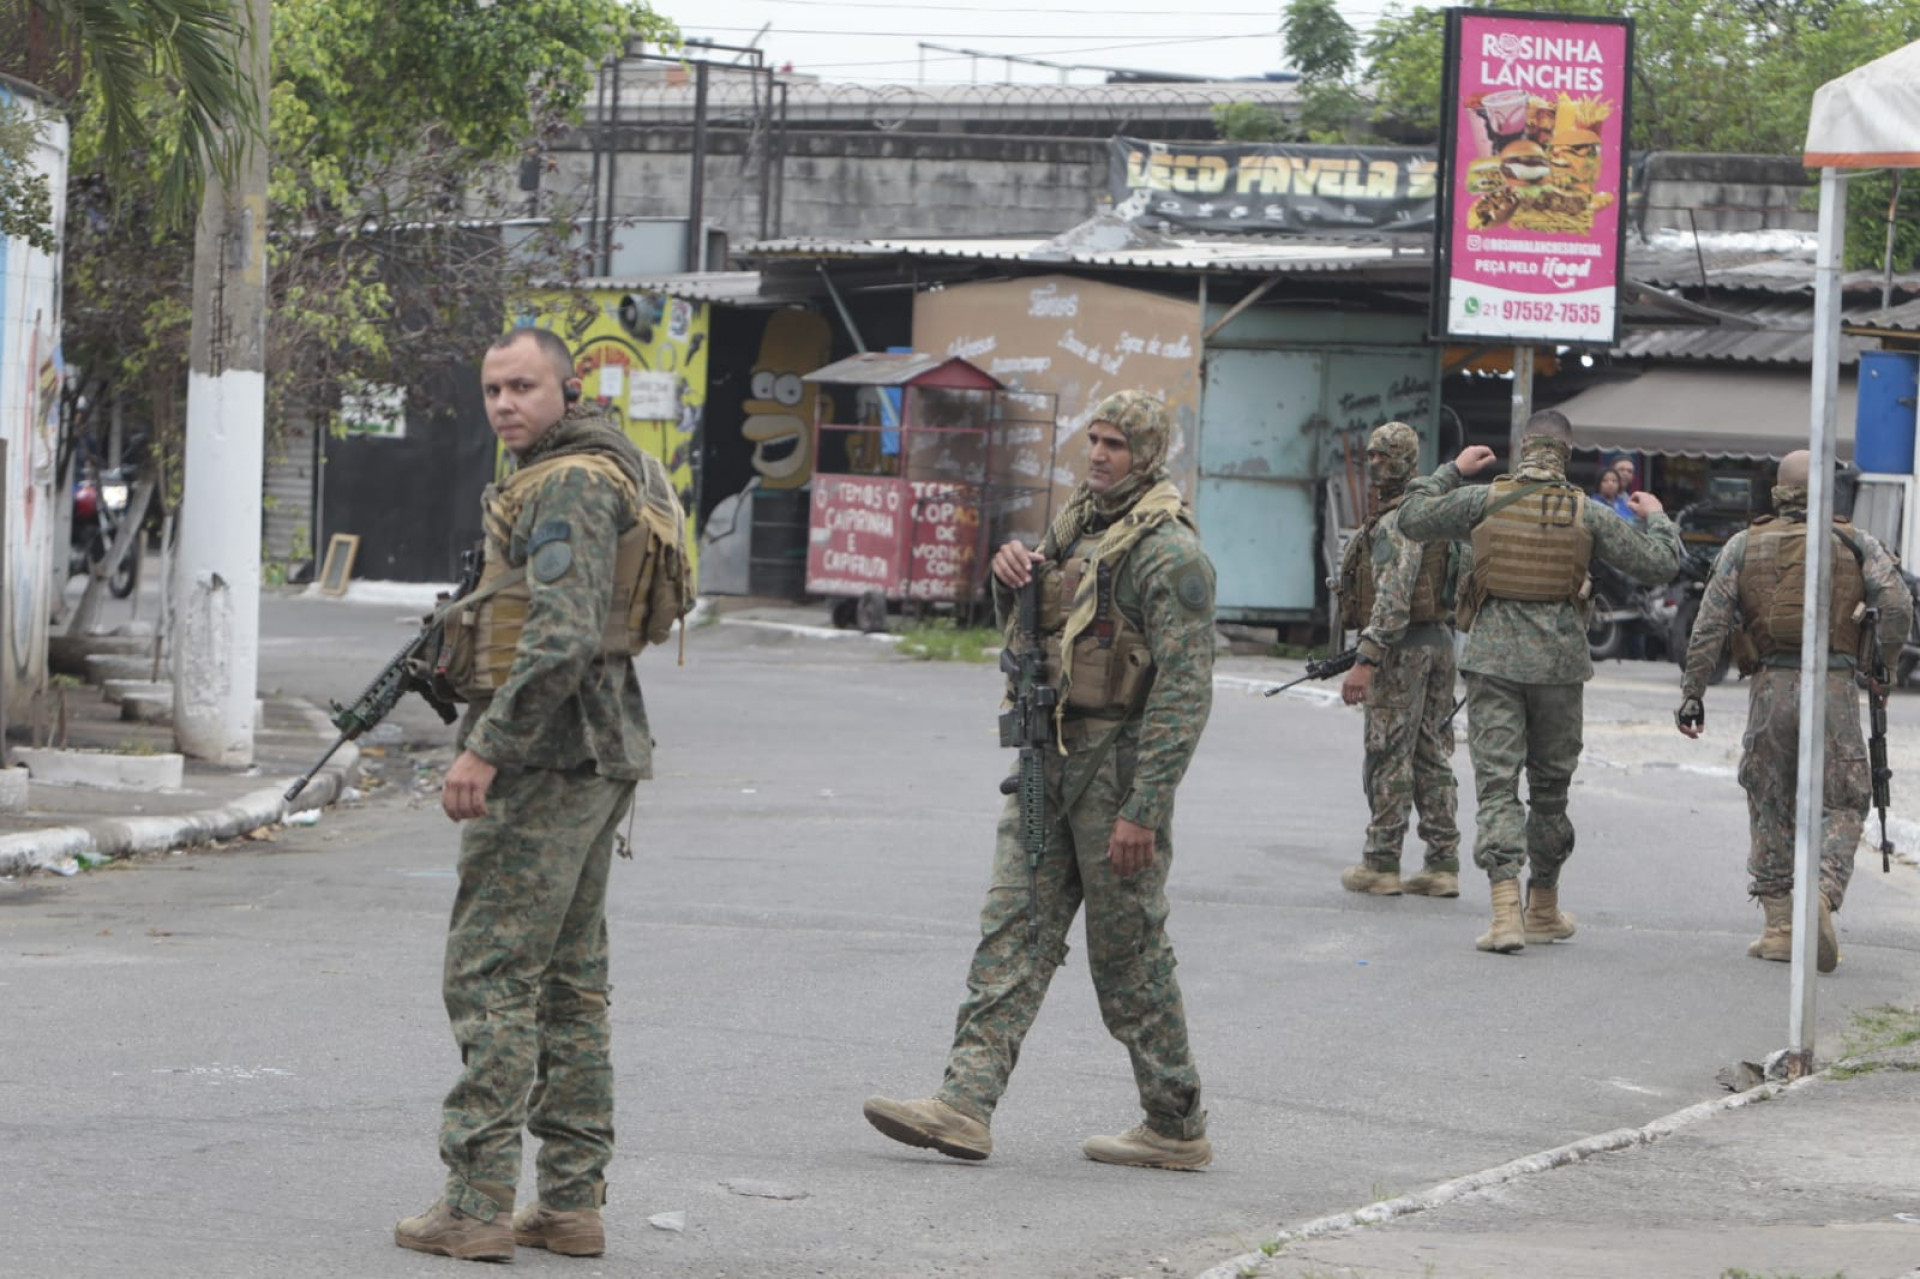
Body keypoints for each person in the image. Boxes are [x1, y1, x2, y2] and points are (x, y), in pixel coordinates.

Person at [862, 390, 1217, 1170]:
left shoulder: (1170, 554)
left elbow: (1185, 693)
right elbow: (1031, 637)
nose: (1098, 455)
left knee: (1128, 957)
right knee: (1012, 928)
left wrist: (1144, 808)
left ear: (1148, 454)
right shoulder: (1074, 528)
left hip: (1115, 777)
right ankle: (964, 1103)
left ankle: (1175, 1121)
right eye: (1093, 440)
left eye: (1117, 444)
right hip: (1046, 763)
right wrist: (1009, 576)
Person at [396, 326, 682, 1261]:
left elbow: (558, 638)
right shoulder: (611, 467)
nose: (505, 404)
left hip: (549, 758)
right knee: (568, 983)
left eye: (523, 386)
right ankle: (568, 1201)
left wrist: (485, 747)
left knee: (491, 976)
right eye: (492, 390)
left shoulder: (565, 484)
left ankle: (475, 1200)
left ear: (570, 387)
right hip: (600, 753)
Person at [1396, 411, 1681, 953]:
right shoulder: (1588, 513)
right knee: (1550, 790)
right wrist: (1659, 516)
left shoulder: (1482, 500)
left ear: (1523, 447)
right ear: (1567, 454)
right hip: (1559, 666)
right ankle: (1544, 907)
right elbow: (1660, 564)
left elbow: (1410, 517)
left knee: (1497, 785)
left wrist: (1452, 470)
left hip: (1494, 664)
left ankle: (1506, 914)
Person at [1675, 449, 1910, 972]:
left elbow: (1709, 624)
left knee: (1769, 799)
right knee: (1846, 800)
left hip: (1769, 686)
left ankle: (1780, 927)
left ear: (1778, 491)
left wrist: (1693, 693)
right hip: (1835, 687)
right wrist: (1882, 668)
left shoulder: (1743, 544)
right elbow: (1895, 603)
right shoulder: (1855, 541)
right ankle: (1821, 897)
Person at [1336, 421, 1467, 899]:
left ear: (1407, 460)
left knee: (1389, 752)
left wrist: (1366, 659)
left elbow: (1393, 592)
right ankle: (1442, 863)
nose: (1374, 464)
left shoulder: (1400, 518)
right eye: (1370, 455)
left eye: (1384, 456)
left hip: (1403, 648)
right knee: (1430, 751)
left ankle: (1381, 862)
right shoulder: (1427, 510)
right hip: (1437, 643)